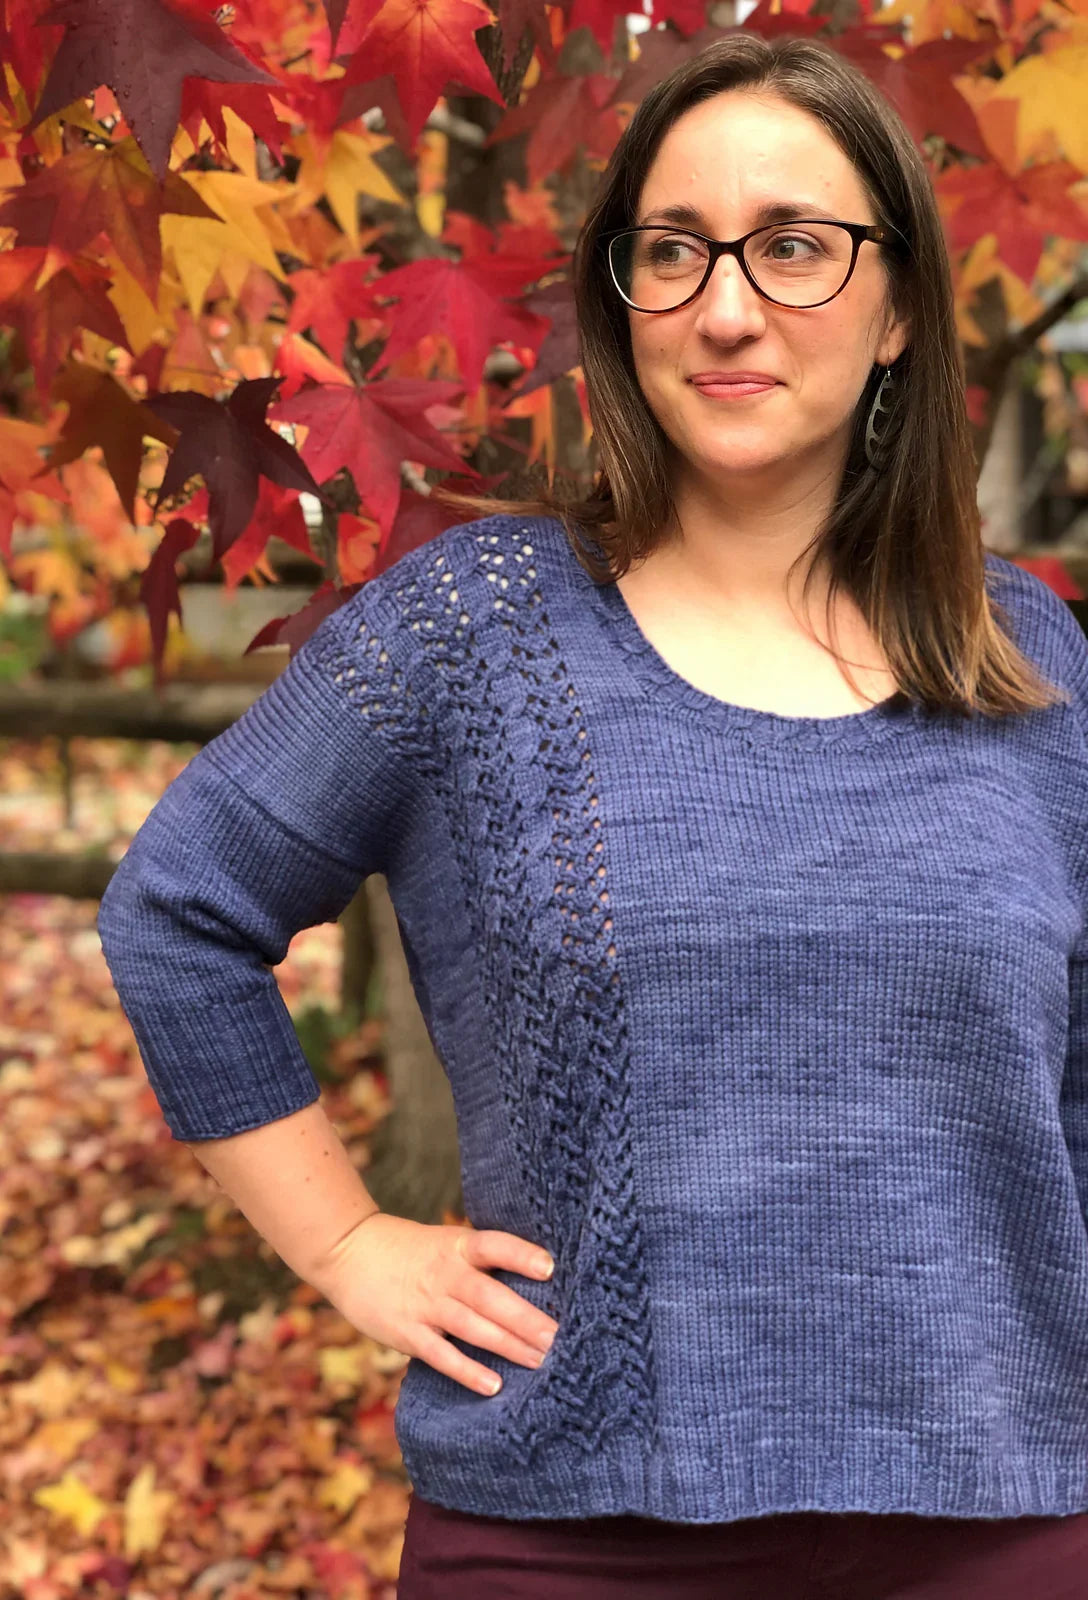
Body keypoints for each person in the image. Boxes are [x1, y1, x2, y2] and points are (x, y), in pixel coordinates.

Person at [96, 30, 1088, 1600]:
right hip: (574, 1531)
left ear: (899, 307)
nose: (727, 304)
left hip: (1008, 1516)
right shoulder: (469, 636)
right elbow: (178, 913)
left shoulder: (1035, 661)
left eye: (795, 248)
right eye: (673, 251)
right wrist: (351, 1245)